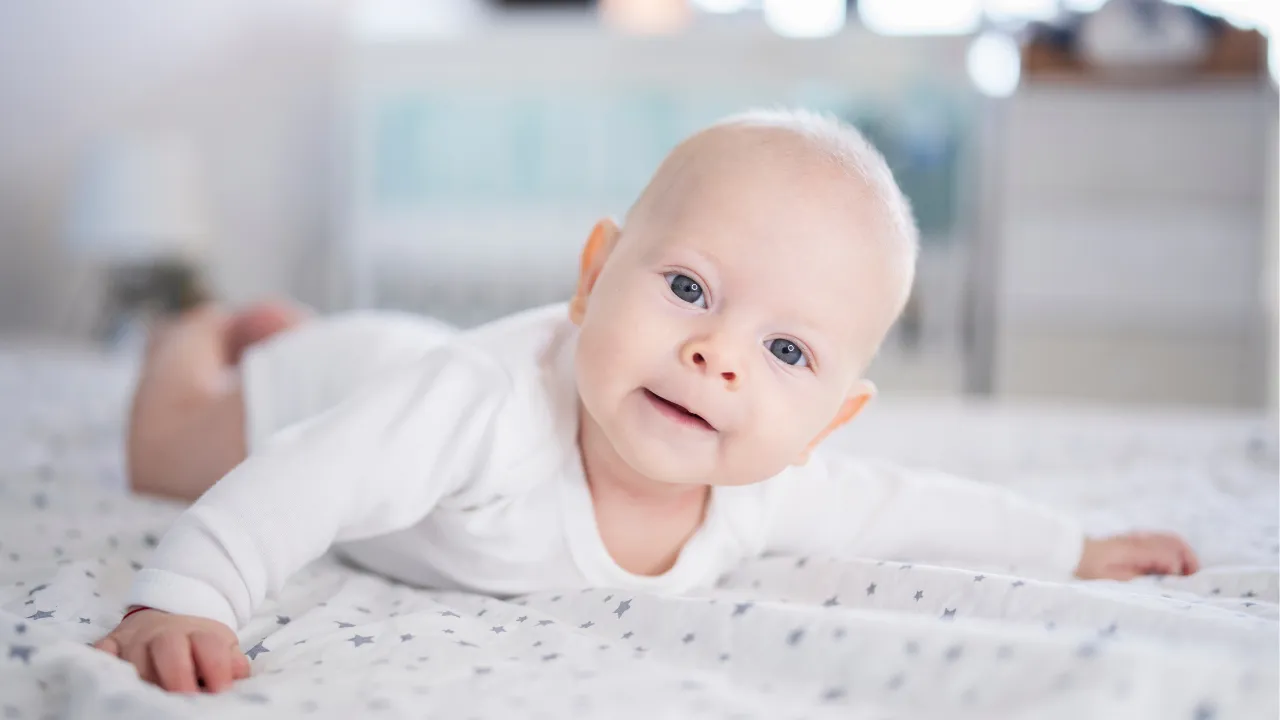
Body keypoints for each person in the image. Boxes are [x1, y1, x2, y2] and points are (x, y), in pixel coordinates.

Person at [95, 109, 1198, 693]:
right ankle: (198, 325)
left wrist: (1072, 548)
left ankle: (276, 321)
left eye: (783, 351)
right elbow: (311, 476)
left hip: (409, 365)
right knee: (166, 448)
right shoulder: (482, 413)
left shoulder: (757, 488)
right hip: (354, 390)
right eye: (685, 289)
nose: (716, 356)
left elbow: (908, 505)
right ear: (592, 279)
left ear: (825, 424)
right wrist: (190, 593)